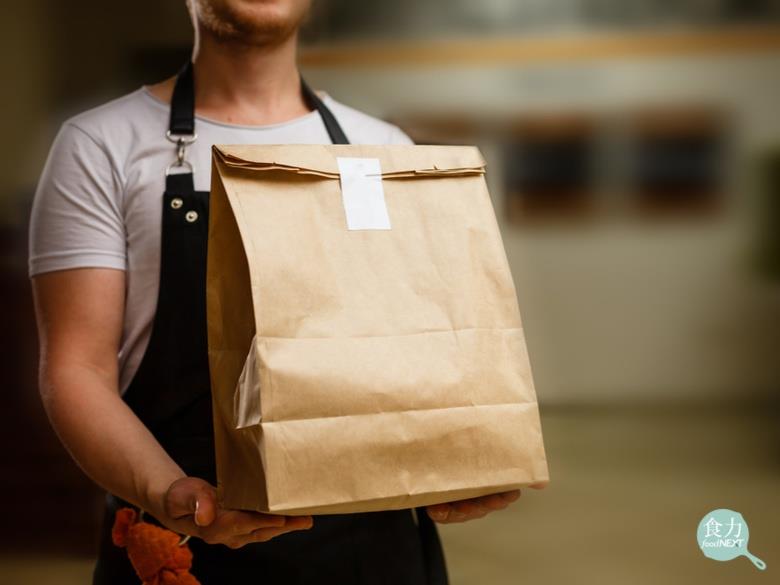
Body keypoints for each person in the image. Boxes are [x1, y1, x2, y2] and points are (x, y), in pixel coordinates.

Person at [29, 1, 533, 583]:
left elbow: (425, 346)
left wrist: (461, 461)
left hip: (374, 551)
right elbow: (78, 369)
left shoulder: (381, 148)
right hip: (183, 545)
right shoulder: (100, 145)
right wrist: (167, 491)